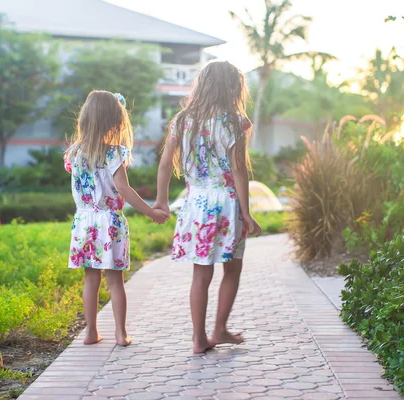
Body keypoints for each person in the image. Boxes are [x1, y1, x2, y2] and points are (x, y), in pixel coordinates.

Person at [154, 61, 262, 353]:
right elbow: (239, 170)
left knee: (200, 274)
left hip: (195, 202)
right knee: (232, 269)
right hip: (225, 202)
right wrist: (247, 212)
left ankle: (199, 339)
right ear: (233, 88)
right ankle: (219, 329)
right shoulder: (234, 121)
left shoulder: (182, 120)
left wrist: (161, 200)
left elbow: (165, 164)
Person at [64, 90, 169, 347]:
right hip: (109, 222)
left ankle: (91, 333)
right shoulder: (113, 153)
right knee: (115, 282)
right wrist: (151, 212)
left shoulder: (73, 153)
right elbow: (124, 189)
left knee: (91, 279)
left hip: (84, 222)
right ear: (113, 121)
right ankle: (121, 334)